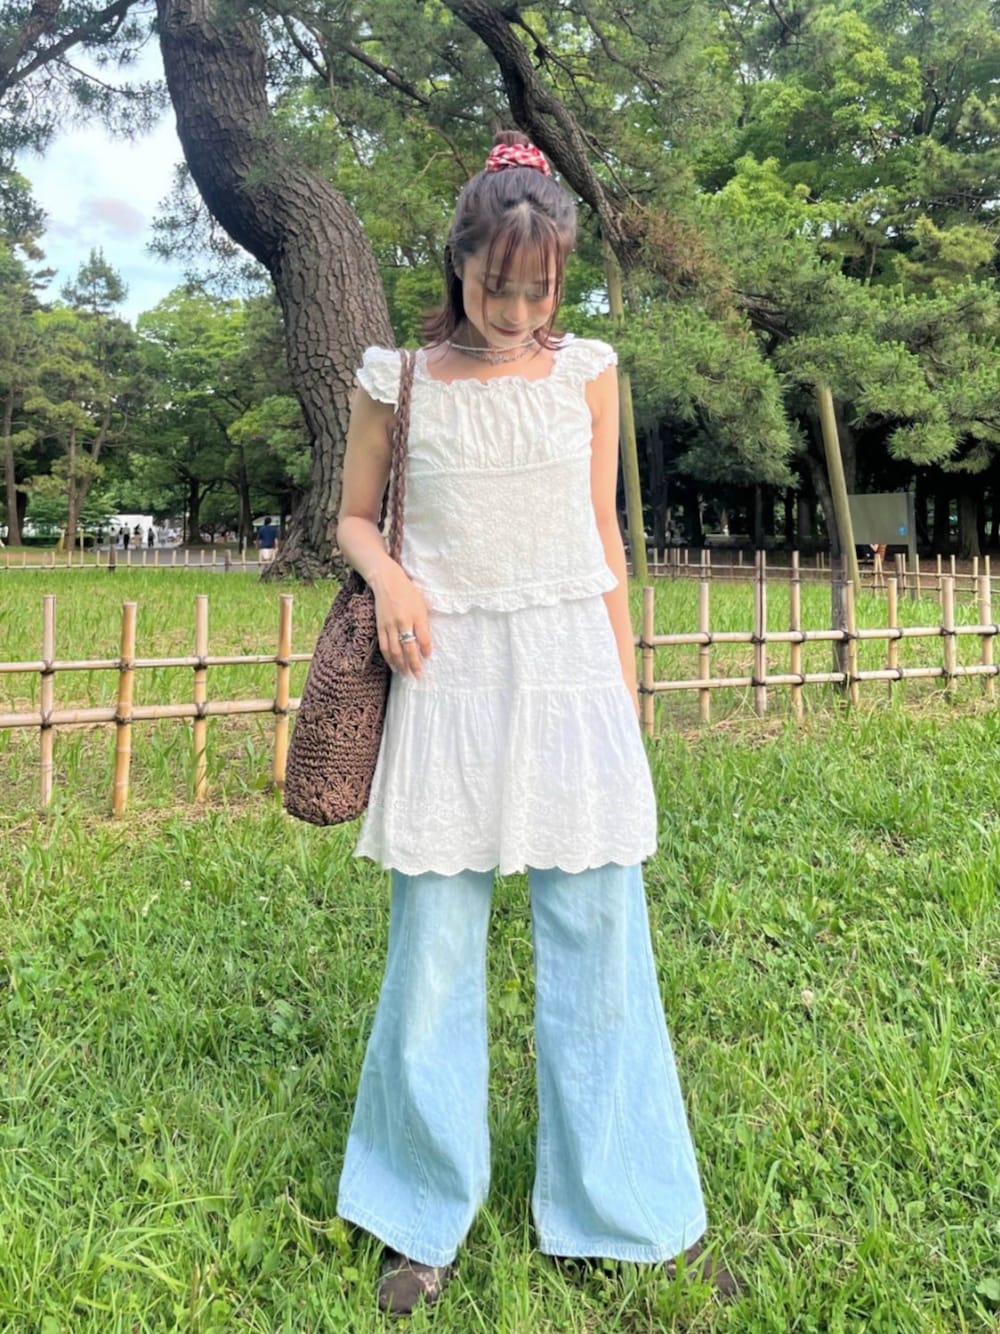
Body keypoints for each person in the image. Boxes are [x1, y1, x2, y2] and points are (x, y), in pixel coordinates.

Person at [335, 130, 734, 1318]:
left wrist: (623, 698)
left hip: (569, 675)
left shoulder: (588, 372)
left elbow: (603, 540)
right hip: (446, 680)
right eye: (495, 287)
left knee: (601, 943)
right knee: (432, 954)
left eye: (539, 291)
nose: (516, 313)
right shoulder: (394, 378)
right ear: (457, 260)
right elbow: (352, 517)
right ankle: (418, 1214)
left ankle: (623, 1211)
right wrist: (389, 579)